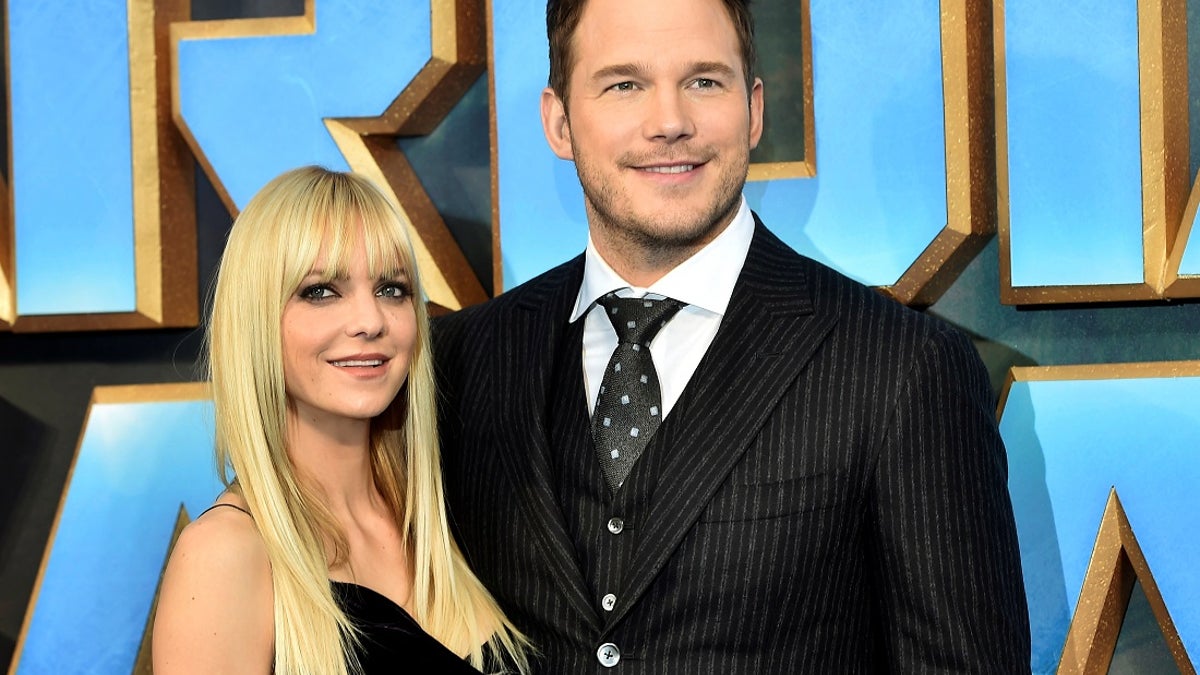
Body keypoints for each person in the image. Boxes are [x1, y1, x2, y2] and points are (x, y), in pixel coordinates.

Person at [433, 0, 1031, 672]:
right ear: (559, 120)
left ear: (755, 110)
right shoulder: (464, 359)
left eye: (704, 82)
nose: (669, 123)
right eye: (624, 84)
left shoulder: (902, 367)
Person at [153, 166, 528, 674]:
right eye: (321, 291)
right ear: (256, 319)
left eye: (392, 289)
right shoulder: (225, 556)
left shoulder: (443, 517)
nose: (370, 321)